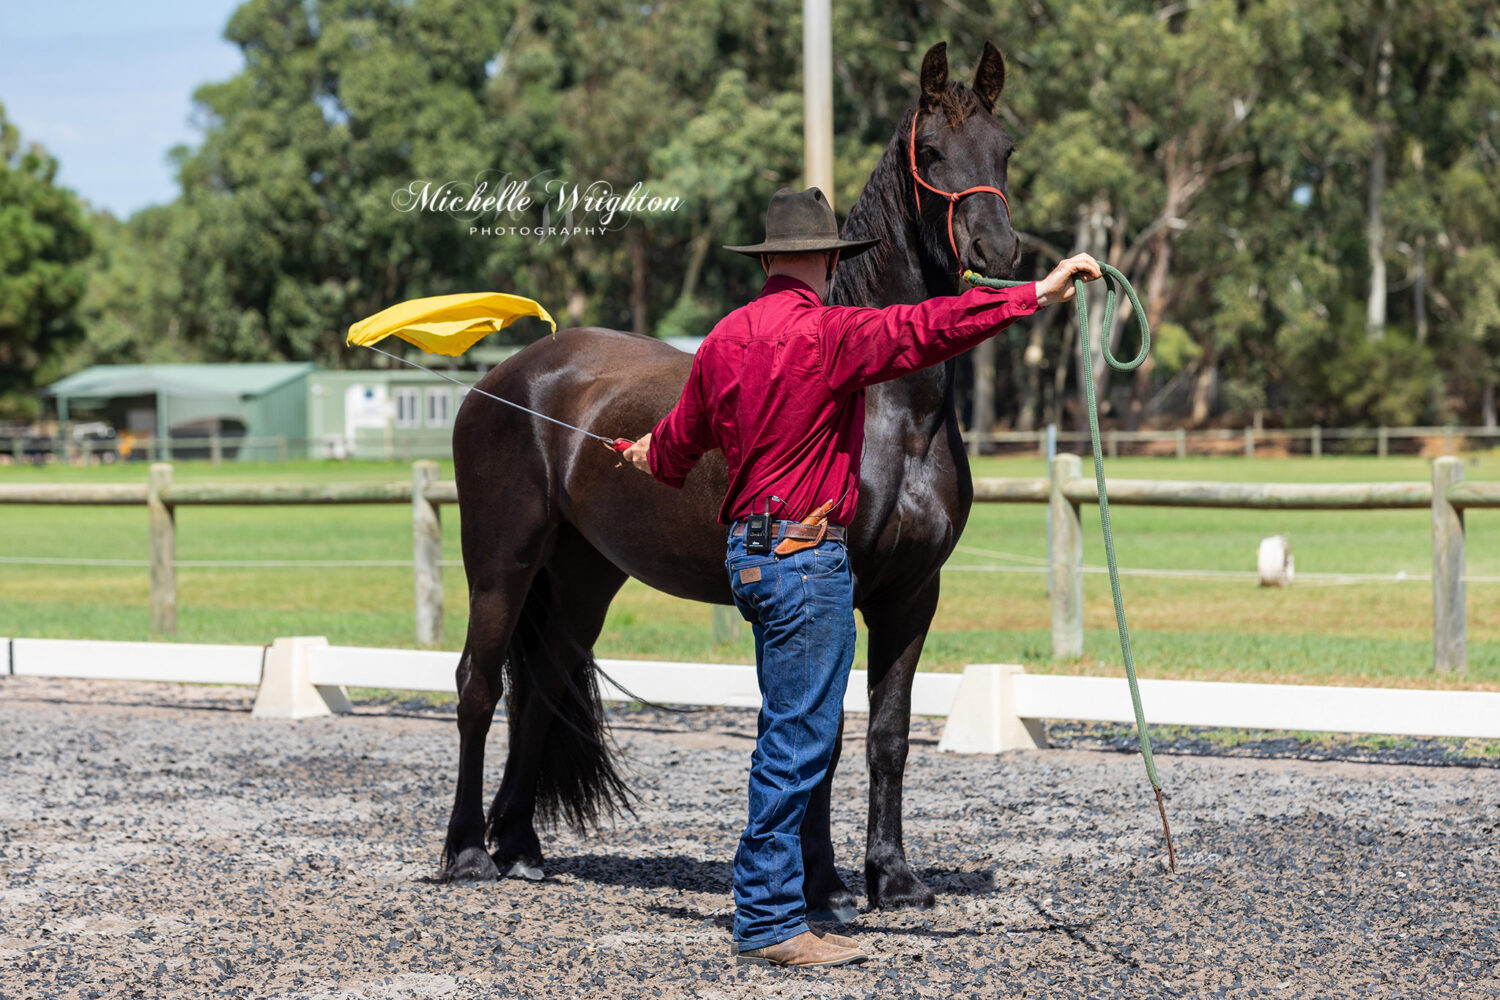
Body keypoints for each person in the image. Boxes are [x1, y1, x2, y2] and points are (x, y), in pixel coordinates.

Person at [624, 186, 1100, 968]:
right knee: (798, 742)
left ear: (771, 258)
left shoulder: (724, 338)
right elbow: (932, 326)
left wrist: (644, 454)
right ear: (824, 263)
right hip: (805, 560)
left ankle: (772, 903)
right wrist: (1035, 293)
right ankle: (773, 921)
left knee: (787, 731)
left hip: (749, 559)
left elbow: (677, 445)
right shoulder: (833, 335)